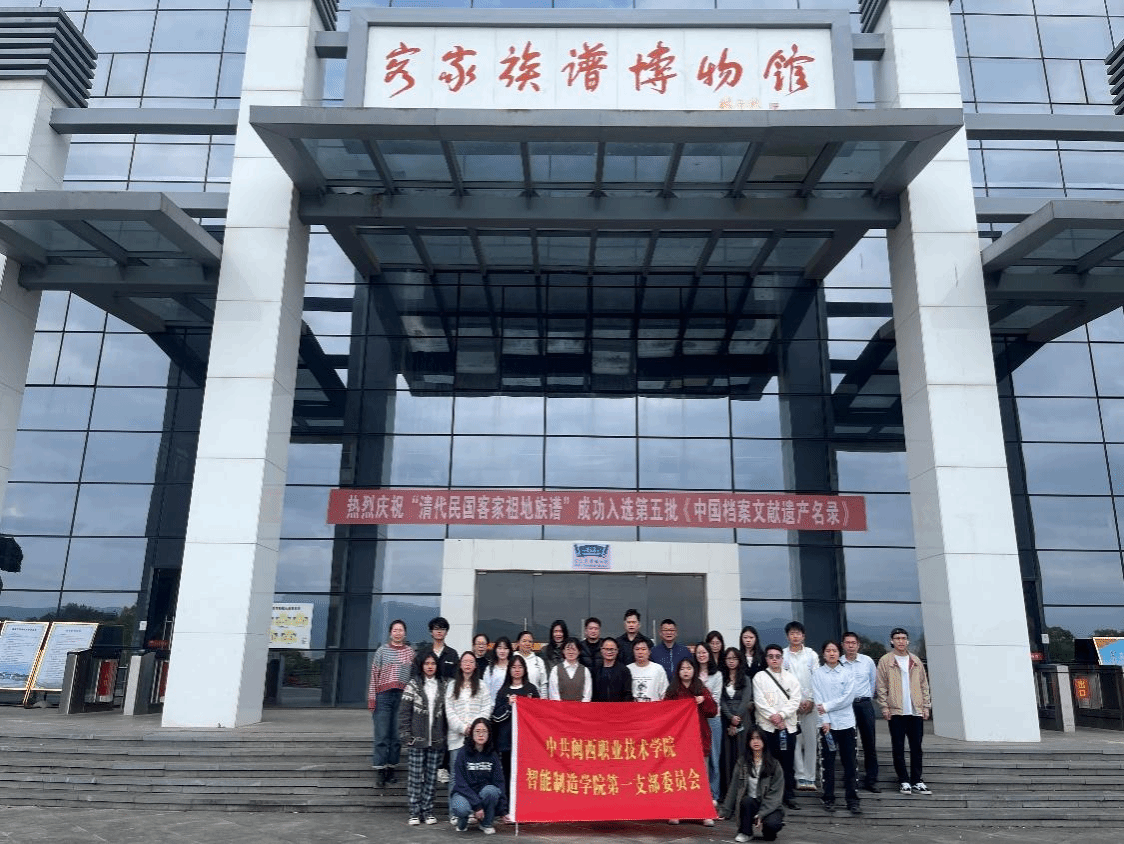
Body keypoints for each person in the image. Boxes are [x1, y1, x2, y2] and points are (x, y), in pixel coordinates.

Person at [875, 627, 932, 796]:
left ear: (908, 641)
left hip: (915, 711)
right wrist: (884, 706)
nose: (901, 641)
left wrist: (926, 706)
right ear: (892, 641)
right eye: (897, 638)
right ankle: (904, 780)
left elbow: (924, 685)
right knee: (898, 747)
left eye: (903, 638)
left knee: (916, 748)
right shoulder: (886, 661)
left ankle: (917, 780)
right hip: (896, 712)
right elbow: (881, 686)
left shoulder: (915, 660)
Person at [665, 657, 718, 826]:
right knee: (678, 776)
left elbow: (713, 711)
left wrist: (704, 701)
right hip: (679, 740)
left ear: (694, 670)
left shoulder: (701, 689)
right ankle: (677, 811)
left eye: (689, 668)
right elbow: (664, 712)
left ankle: (704, 813)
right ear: (678, 672)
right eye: (682, 669)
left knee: (700, 777)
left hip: (699, 738)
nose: (686, 671)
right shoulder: (673, 690)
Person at [812, 640, 860, 815]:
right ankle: (828, 798)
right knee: (828, 763)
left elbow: (848, 698)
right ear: (823, 654)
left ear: (839, 653)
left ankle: (852, 800)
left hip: (846, 723)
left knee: (850, 763)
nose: (831, 653)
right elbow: (818, 699)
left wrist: (827, 707)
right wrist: (825, 719)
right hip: (827, 726)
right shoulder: (817, 674)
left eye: (834, 650)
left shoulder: (848, 673)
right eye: (828, 650)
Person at [398, 651, 446, 825]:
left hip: (436, 740)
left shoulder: (443, 685)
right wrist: (406, 735)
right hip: (417, 739)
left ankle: (428, 811)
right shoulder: (413, 685)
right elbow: (404, 712)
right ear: (421, 666)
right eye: (427, 663)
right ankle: (414, 812)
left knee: (431, 778)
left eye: (433, 663)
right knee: (415, 778)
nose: (430, 666)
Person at [445, 652, 494, 822]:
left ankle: (474, 810)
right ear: (460, 664)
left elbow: (487, 708)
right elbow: (449, 710)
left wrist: (475, 729)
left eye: (471, 662)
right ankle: (454, 812)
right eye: (465, 661)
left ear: (475, 665)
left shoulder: (481, 686)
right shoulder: (452, 686)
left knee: (475, 775)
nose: (467, 664)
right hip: (456, 738)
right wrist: (462, 728)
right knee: (455, 776)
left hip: (477, 739)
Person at [753, 644, 801, 810]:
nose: (774, 659)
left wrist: (781, 715)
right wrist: (774, 717)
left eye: (777, 656)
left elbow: (795, 700)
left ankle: (789, 795)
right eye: (771, 656)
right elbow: (759, 701)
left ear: (782, 659)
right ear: (766, 659)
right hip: (767, 727)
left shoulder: (791, 678)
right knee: (766, 763)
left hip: (787, 727)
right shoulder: (759, 677)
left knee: (787, 764)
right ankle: (766, 796)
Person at [367, 619, 414, 787]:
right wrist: (372, 699)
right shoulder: (382, 651)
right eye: (395, 630)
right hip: (383, 696)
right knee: (382, 735)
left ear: (405, 633)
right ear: (390, 633)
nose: (398, 633)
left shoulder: (410, 652)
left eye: (401, 630)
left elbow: (413, 678)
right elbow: (374, 675)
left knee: (396, 736)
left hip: (402, 697)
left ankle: (391, 768)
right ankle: (380, 769)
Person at [718, 726, 786, 843]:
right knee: (746, 801)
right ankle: (746, 832)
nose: (755, 741)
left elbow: (775, 795)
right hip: (751, 805)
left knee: (771, 829)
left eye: (758, 738)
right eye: (752, 738)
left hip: (770, 807)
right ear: (748, 742)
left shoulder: (774, 764)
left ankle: (767, 828)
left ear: (764, 741)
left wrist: (761, 814)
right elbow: (733, 787)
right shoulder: (742, 763)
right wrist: (725, 811)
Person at [490, 654, 539, 794]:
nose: (517, 670)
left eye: (520, 667)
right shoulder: (503, 691)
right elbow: (496, 717)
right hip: (507, 742)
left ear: (525, 669)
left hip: (526, 742)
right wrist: (508, 705)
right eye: (513, 667)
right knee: (507, 774)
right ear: (509, 670)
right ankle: (507, 804)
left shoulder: (531, 689)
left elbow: (538, 714)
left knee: (526, 775)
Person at [450, 717, 507, 834]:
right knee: (461, 808)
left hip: (483, 793)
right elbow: (460, 783)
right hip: (464, 794)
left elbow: (499, 782)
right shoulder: (462, 753)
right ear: (471, 733)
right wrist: (477, 806)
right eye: (477, 731)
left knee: (492, 791)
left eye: (484, 731)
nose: (481, 735)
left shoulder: (493, 755)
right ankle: (463, 821)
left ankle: (486, 823)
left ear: (489, 734)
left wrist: (503, 810)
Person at [782, 621, 819, 792]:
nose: (795, 636)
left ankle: (810, 778)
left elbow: (817, 679)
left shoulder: (811, 655)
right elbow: (782, 682)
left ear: (803, 636)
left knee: (811, 741)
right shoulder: (783, 655)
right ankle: (800, 776)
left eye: (798, 633)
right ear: (787, 636)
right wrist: (793, 704)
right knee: (795, 742)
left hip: (810, 705)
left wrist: (811, 700)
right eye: (792, 633)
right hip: (791, 707)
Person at [842, 631, 880, 792]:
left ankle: (871, 780)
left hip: (864, 704)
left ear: (858, 645)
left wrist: (866, 697)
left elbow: (873, 682)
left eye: (853, 643)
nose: (851, 645)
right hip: (846, 707)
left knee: (869, 742)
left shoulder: (867, 661)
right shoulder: (839, 662)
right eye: (847, 642)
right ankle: (850, 779)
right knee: (848, 744)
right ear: (843, 645)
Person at [719, 646, 752, 797]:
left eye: (734, 658)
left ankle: (742, 791)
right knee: (727, 756)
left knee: (741, 754)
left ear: (739, 660)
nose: (731, 661)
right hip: (726, 719)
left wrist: (736, 719)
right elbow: (721, 700)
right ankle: (727, 792)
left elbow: (746, 700)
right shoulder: (721, 678)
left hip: (743, 720)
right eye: (728, 658)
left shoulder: (745, 679)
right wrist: (730, 718)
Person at [694, 642, 724, 803]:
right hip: (695, 720)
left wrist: (703, 699)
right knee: (698, 757)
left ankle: (714, 794)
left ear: (709, 654)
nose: (701, 655)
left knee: (713, 758)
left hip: (713, 719)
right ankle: (700, 792)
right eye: (698, 653)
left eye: (704, 652)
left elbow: (716, 698)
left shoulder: (717, 675)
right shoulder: (692, 673)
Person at [547, 636, 592, 701]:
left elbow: (587, 695)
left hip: (580, 706)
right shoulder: (555, 670)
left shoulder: (585, 671)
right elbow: (553, 694)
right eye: (568, 649)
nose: (571, 652)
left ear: (579, 651)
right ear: (563, 651)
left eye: (574, 649)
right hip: (560, 706)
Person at [592, 637, 633, 702]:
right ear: (601, 650)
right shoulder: (595, 670)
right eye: (606, 649)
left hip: (619, 707)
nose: (609, 652)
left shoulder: (624, 670)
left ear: (617, 651)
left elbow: (627, 693)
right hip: (599, 707)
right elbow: (593, 693)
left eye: (612, 649)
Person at [515, 629, 548, 697]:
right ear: (518, 643)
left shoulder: (538, 661)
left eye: (530, 641)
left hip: (534, 699)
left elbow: (543, 684)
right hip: (515, 698)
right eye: (524, 641)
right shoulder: (511, 659)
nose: (527, 644)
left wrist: (543, 699)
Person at [483, 636, 512, 702]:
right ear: (495, 650)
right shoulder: (490, 669)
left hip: (510, 704)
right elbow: (486, 689)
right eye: (499, 648)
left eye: (505, 648)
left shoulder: (513, 667)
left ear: (509, 650)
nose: (502, 651)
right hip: (493, 704)